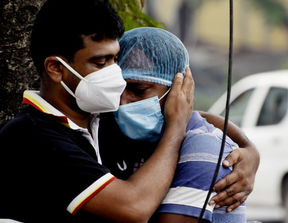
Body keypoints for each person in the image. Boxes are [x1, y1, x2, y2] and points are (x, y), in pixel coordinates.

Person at [0, 0, 194, 222]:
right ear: (56, 68)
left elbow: (194, 117)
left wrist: (242, 149)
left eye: (115, 59)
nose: (114, 74)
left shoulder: (103, 117)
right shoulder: (30, 136)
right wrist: (176, 127)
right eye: (100, 63)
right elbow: (133, 207)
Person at [99, 27, 246, 222]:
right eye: (118, 88)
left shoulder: (204, 148)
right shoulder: (133, 138)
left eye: (139, 89)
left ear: (179, 89)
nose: (122, 102)